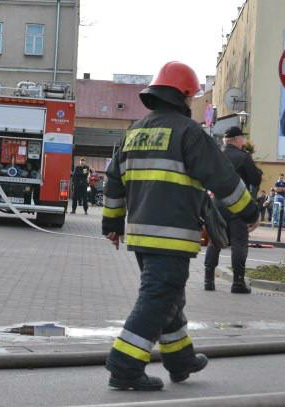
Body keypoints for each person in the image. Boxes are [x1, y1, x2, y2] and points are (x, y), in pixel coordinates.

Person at [102, 62, 259, 391]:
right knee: (157, 299)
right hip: (172, 236)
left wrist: (112, 223)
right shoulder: (189, 134)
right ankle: (124, 365)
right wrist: (248, 212)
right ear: (183, 97)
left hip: (141, 235)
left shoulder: (135, 131)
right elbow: (224, 179)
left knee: (169, 297)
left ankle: (180, 359)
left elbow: (113, 181)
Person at [203, 126, 263, 293]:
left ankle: (208, 281)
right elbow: (255, 179)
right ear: (237, 139)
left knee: (214, 241)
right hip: (238, 205)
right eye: (242, 138)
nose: (244, 141)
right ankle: (238, 283)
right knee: (239, 242)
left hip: (216, 204)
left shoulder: (215, 156)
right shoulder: (243, 157)